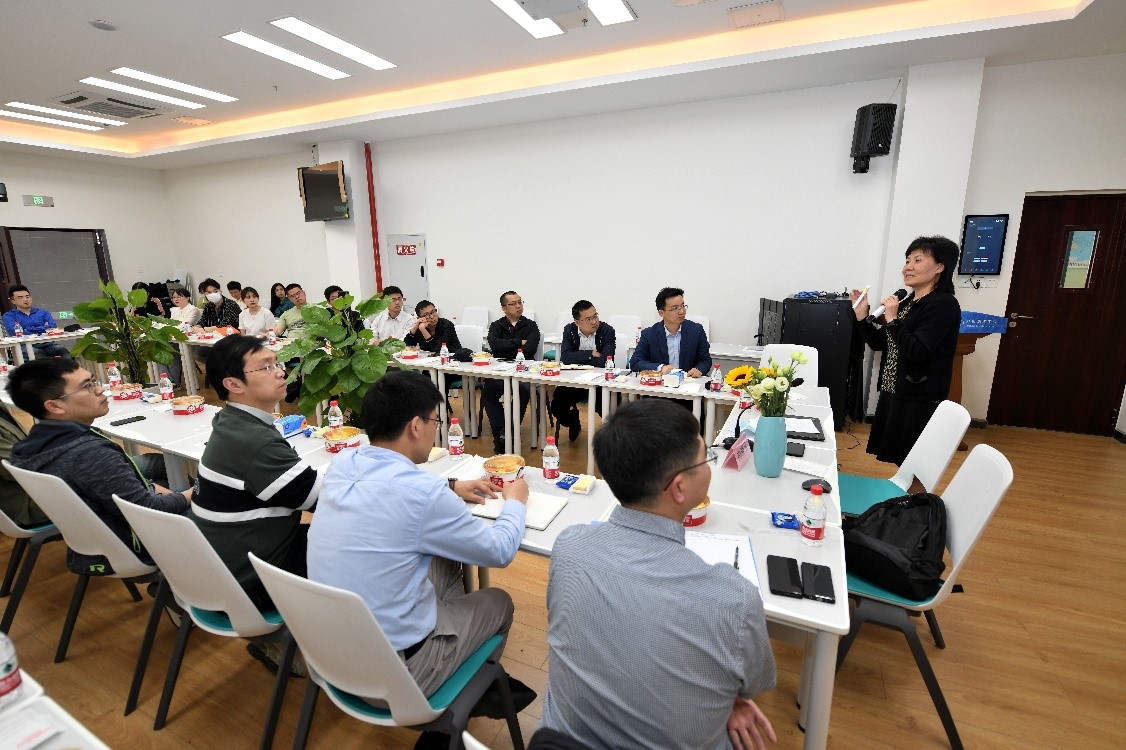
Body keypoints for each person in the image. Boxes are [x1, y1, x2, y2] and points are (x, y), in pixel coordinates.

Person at [307, 370, 535, 739]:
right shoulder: (423, 494)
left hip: (329, 654)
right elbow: (499, 550)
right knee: (499, 602)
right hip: (398, 679)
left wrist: (451, 486)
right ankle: (464, 699)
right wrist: (515, 502)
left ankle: (453, 643)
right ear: (416, 426)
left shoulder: (343, 463)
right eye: (434, 421)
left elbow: (397, 489)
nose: (435, 429)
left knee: (444, 557)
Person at [539, 400, 776, 750]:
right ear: (679, 488)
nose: (709, 466)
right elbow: (752, 684)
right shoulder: (733, 600)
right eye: (705, 459)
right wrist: (728, 701)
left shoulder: (570, 547)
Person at [5, 358, 190, 574]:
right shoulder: (89, 453)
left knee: (173, 484)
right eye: (87, 386)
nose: (100, 390)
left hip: (98, 545)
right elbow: (149, 510)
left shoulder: (31, 447)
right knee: (218, 503)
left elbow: (116, 488)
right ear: (54, 406)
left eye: (94, 381)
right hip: (135, 546)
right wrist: (194, 494)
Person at [191, 335, 323, 609]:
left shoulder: (230, 420)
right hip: (253, 581)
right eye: (266, 367)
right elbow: (323, 499)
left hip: (229, 562)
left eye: (277, 364)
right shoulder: (255, 442)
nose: (280, 372)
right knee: (361, 543)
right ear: (233, 384)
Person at [851, 235, 962, 467]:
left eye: (917, 260)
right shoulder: (908, 303)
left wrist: (893, 320)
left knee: (916, 463)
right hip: (895, 391)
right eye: (907, 260)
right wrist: (862, 316)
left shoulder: (943, 304)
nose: (907, 267)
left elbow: (918, 351)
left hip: (919, 397)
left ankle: (915, 493)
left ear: (940, 267)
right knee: (900, 460)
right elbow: (879, 342)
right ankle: (904, 492)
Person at [484, 291, 540, 454]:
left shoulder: (530, 325)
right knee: (488, 392)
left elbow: (530, 349)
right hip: (500, 371)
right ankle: (501, 433)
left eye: (520, 302)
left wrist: (507, 347)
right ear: (504, 308)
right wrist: (518, 342)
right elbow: (494, 345)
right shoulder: (496, 325)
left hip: (523, 371)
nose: (518, 306)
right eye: (513, 303)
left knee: (523, 390)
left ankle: (507, 433)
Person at [550, 300, 614, 443]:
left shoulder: (607, 330)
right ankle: (573, 420)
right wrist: (591, 354)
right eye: (589, 319)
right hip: (574, 380)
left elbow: (605, 361)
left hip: (599, 382)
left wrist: (578, 359)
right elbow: (566, 357)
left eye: (595, 316)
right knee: (557, 405)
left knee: (609, 408)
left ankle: (612, 440)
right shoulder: (569, 330)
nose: (594, 321)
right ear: (577, 322)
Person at [630, 287, 711, 377]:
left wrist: (699, 369)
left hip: (689, 382)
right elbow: (635, 362)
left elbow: (706, 360)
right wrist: (660, 368)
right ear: (661, 313)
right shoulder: (649, 334)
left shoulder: (696, 330)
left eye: (682, 306)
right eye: (675, 308)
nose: (682, 311)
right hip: (662, 383)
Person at [3, 285, 70, 358]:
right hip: (27, 345)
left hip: (48, 343)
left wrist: (27, 329)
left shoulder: (43, 312)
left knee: (67, 356)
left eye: (27, 297)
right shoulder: (9, 316)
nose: (25, 299)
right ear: (13, 301)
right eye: (20, 297)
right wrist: (44, 328)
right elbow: (14, 332)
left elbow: (53, 327)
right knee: (43, 360)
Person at [166, 287, 201, 387]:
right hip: (176, 340)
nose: (176, 299)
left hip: (190, 342)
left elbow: (185, 326)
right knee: (161, 351)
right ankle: (168, 381)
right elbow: (171, 325)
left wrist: (172, 327)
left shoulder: (193, 310)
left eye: (179, 296)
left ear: (187, 297)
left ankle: (173, 382)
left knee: (173, 353)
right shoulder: (174, 310)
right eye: (174, 297)